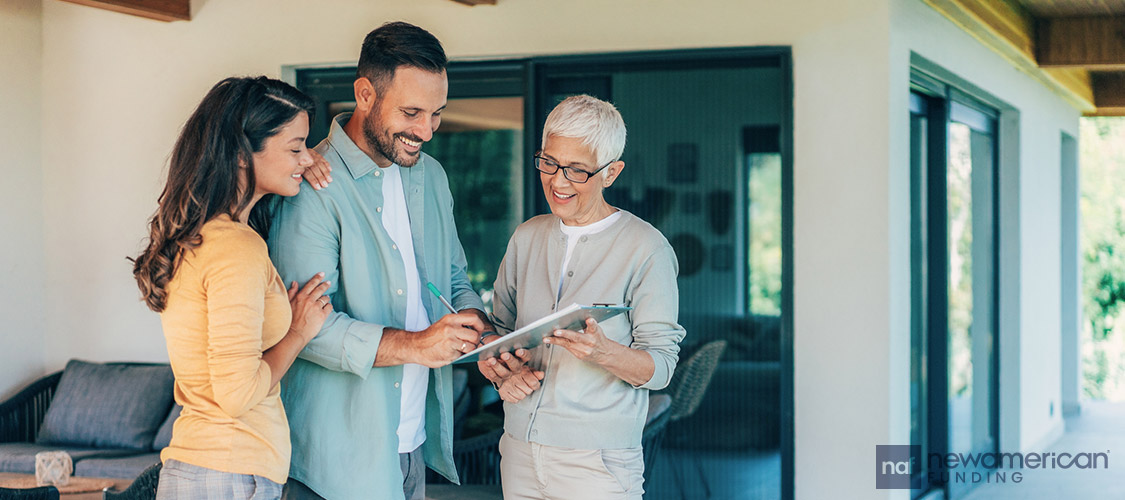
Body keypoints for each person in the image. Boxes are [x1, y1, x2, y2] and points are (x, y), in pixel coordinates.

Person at [268, 22, 492, 500]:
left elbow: (454, 281)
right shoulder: (309, 186)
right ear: (365, 93)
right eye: (411, 112)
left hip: (412, 443)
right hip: (335, 458)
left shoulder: (432, 176)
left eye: (436, 114)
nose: (426, 131)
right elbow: (306, 329)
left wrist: (482, 331)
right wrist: (417, 346)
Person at [131, 76, 332, 500]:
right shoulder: (237, 248)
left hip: (208, 469)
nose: (306, 158)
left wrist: (299, 159)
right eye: (295, 148)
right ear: (242, 155)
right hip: (230, 475)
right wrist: (297, 333)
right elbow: (237, 394)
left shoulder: (206, 236)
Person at [478, 95, 686, 500]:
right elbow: (497, 335)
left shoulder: (647, 248)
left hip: (597, 461)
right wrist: (502, 371)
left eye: (576, 171)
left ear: (611, 172)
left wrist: (603, 352)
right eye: (549, 163)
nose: (557, 182)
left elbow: (661, 368)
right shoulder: (527, 236)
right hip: (518, 449)